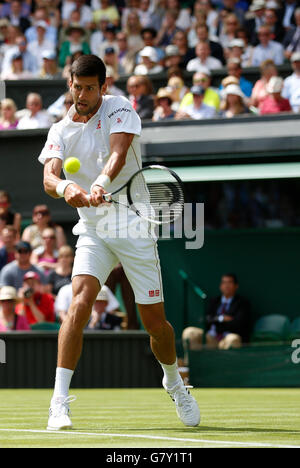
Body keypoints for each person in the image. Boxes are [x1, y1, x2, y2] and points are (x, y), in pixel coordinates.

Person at [39, 54, 200, 431]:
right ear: (70, 85)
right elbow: (50, 177)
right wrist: (67, 187)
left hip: (132, 225)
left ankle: (174, 382)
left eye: (89, 88)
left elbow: (118, 152)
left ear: (103, 87)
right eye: (76, 87)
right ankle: (58, 402)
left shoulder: (119, 108)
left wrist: (98, 184)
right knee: (78, 304)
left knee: (155, 325)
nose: (82, 95)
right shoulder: (60, 130)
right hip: (93, 230)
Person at [182, 273, 251, 362]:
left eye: (229, 282)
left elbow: (239, 324)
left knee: (233, 339)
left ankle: (228, 371)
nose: (226, 286)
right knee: (189, 332)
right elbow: (204, 319)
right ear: (220, 286)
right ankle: (191, 367)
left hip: (227, 338)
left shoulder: (242, 303)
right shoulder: (214, 301)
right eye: (224, 283)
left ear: (236, 286)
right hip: (211, 338)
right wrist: (222, 319)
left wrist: (216, 321)